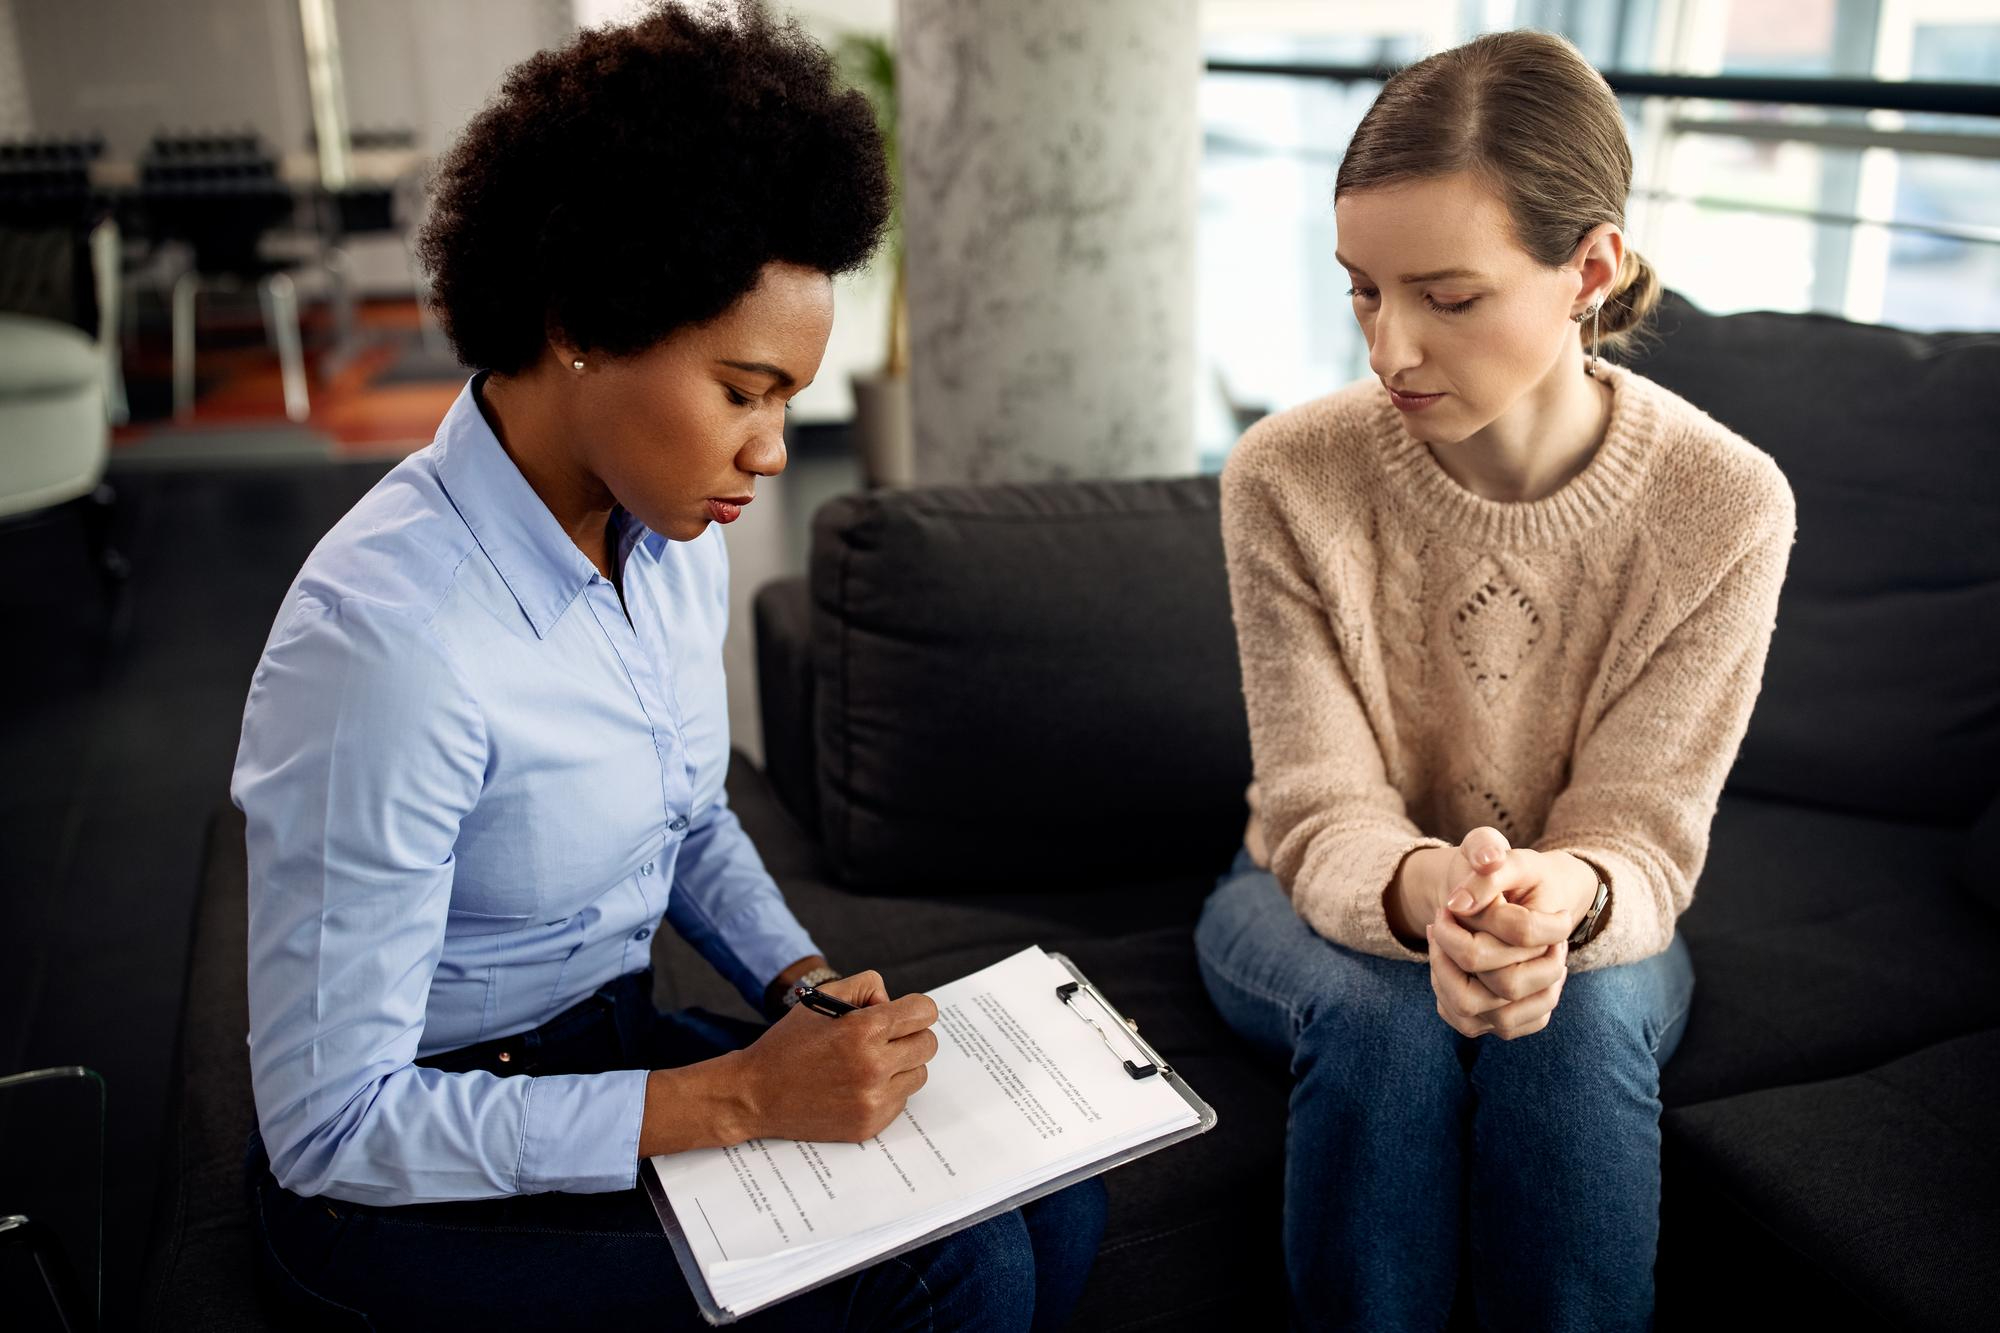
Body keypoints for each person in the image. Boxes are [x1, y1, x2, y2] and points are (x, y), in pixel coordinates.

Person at [231, 6, 1103, 1329]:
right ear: (581, 318)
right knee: (954, 1271)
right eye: (743, 389)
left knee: (1056, 1189)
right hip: (409, 1171)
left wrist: (798, 986)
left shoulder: (669, 528)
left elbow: (690, 815)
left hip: (609, 1042)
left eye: (790, 402)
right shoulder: (387, 644)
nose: (771, 451)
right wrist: (745, 1095)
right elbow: (333, 1127)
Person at [1193, 28, 1796, 1333]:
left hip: (1585, 907)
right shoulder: (1288, 476)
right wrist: (1430, 900)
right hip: (1307, 894)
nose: (1389, 347)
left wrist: (1555, 904)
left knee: (1568, 1027)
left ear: (1591, 268)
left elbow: (1641, 836)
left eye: (1447, 296)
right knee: (1388, 1012)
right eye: (1362, 288)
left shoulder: (1727, 506)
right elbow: (1318, 806)